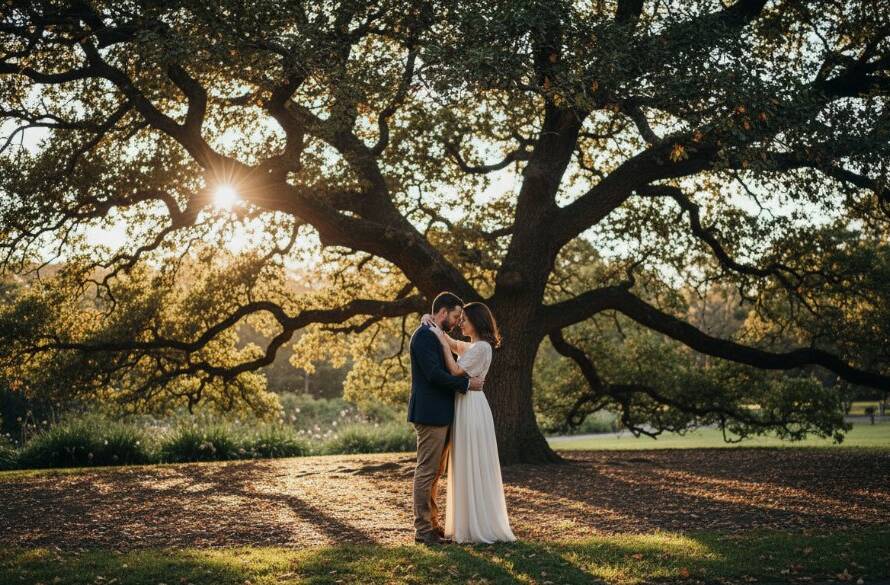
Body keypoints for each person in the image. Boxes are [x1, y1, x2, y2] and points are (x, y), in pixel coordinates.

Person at [421, 301, 517, 544]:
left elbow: (454, 370)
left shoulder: (482, 348)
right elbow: (453, 343)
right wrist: (428, 319)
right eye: (459, 317)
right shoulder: (475, 346)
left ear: (477, 321)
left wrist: (442, 342)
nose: (460, 322)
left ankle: (477, 525)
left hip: (472, 407)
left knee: (472, 461)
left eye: (464, 319)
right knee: (466, 462)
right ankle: (467, 522)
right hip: (466, 405)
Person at [408, 291, 485, 546]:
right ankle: (422, 530)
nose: (456, 322)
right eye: (454, 316)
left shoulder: (435, 335)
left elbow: (452, 353)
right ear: (442, 312)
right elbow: (433, 375)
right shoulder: (423, 337)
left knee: (436, 472)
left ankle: (432, 524)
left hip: (442, 413)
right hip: (430, 414)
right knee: (427, 471)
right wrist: (466, 384)